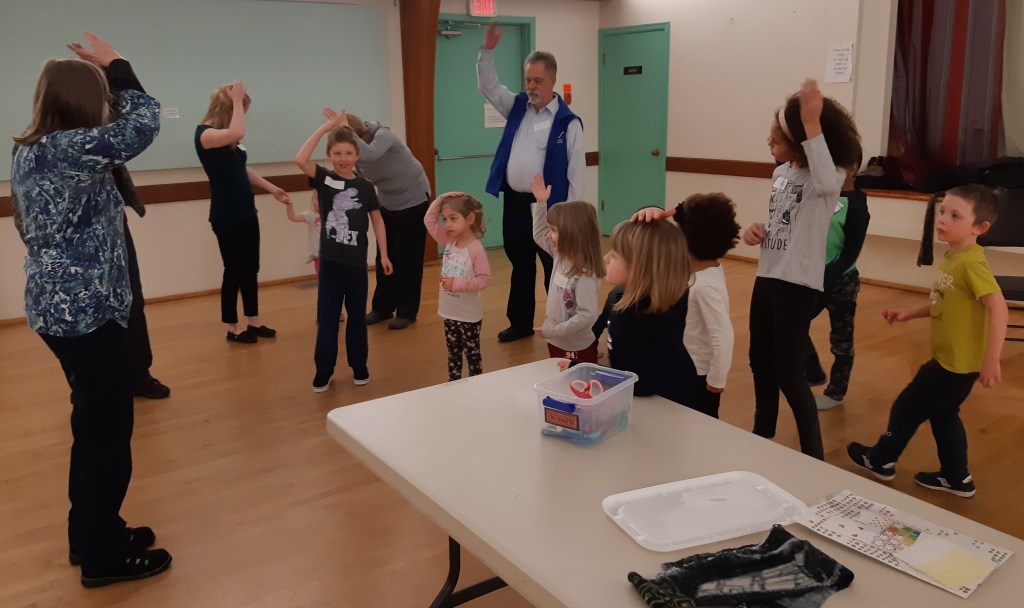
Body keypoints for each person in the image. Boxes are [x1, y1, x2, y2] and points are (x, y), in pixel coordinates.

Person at [10, 32, 171, 587]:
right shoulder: (69, 150)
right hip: (85, 314)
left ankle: (92, 534)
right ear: (84, 101)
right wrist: (118, 64)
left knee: (92, 426)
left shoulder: (37, 149)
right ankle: (103, 559)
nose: (110, 105)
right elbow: (145, 122)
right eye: (102, 95)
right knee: (107, 434)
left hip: (64, 310)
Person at [847, 185, 1007, 498]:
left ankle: (881, 459)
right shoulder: (954, 257)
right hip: (953, 361)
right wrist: (909, 314)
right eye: (942, 211)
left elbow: (998, 307)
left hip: (956, 365)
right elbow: (944, 302)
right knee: (943, 414)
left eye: (955, 215)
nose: (943, 219)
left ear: (980, 228)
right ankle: (956, 477)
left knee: (907, 407)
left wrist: (993, 358)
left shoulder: (971, 264)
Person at [740, 79, 862, 459]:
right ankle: (763, 431)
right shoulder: (781, 175)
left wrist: (811, 122)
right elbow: (786, 221)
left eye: (777, 139)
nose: (769, 143)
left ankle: (813, 454)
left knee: (789, 370)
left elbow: (827, 178)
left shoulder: (830, 177)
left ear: (803, 142)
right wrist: (757, 229)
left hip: (797, 284)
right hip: (768, 275)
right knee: (759, 358)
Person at [477, 21, 585, 343]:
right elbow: (488, 86)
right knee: (520, 264)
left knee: (555, 267)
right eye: (528, 79)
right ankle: (520, 324)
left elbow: (577, 170)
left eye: (538, 79)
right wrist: (487, 51)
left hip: (552, 209)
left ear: (553, 79)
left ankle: (564, 325)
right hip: (515, 202)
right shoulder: (516, 108)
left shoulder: (568, 122)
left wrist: (575, 216)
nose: (532, 85)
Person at [295, 109, 392, 391]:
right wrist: (326, 127)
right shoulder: (325, 180)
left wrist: (384, 254)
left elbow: (378, 222)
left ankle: (359, 365)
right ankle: (323, 370)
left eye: (349, 153)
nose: (343, 158)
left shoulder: (364, 187)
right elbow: (300, 160)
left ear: (357, 156)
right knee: (327, 321)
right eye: (337, 153)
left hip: (356, 267)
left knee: (357, 320)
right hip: (331, 266)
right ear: (330, 155)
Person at [195, 80, 291, 344]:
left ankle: (253, 321)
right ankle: (232, 327)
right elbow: (238, 132)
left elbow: (242, 169)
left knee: (251, 268)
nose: (242, 116)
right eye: (240, 110)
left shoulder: (227, 140)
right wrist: (237, 100)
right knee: (234, 270)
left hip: (247, 212)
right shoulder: (206, 135)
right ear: (228, 109)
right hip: (226, 217)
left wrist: (272, 188)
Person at [633, 193, 742, 418]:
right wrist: (662, 212)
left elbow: (723, 335)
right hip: (681, 366)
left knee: (700, 425)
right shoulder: (699, 270)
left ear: (686, 240)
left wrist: (716, 379)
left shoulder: (703, 286)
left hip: (698, 375)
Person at [338, 111, 431, 330]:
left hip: (414, 199)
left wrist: (346, 131)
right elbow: (359, 177)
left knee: (408, 259)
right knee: (385, 256)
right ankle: (382, 308)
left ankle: (407, 312)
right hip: (388, 202)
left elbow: (370, 154)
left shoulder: (383, 135)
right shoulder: (356, 149)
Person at [603, 221, 702, 409]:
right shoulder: (673, 297)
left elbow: (640, 385)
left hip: (656, 406)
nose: (606, 258)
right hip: (681, 392)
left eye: (614, 256)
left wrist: (596, 377)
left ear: (639, 268)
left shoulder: (627, 316)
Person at [803, 162, 870, 410]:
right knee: (791, 323)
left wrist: (826, 277)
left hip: (841, 283)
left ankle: (836, 392)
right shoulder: (820, 196)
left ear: (852, 168)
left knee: (841, 341)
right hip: (813, 278)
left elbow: (849, 253)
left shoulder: (857, 206)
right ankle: (812, 371)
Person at [530, 174, 604, 364]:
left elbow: (587, 315)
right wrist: (540, 204)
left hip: (575, 345)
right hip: (558, 340)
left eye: (554, 230)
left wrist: (554, 331)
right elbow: (539, 235)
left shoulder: (585, 274)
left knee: (577, 385)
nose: (549, 235)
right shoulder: (560, 255)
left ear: (572, 234)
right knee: (560, 380)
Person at [424, 192, 492, 381]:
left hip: (468, 316)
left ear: (469, 218)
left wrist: (457, 284)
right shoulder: (449, 240)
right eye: (445, 219)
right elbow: (428, 221)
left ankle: (475, 384)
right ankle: (454, 384)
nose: (447, 225)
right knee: (453, 354)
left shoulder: (476, 249)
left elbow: (484, 280)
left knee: (472, 354)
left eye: (453, 219)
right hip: (449, 311)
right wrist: (440, 200)